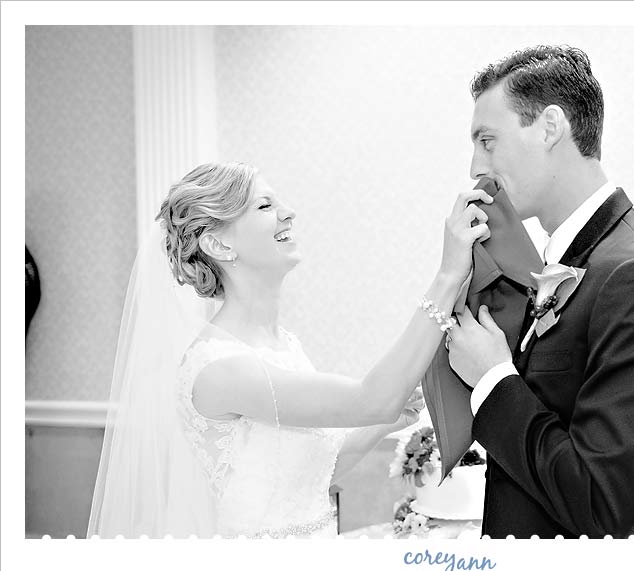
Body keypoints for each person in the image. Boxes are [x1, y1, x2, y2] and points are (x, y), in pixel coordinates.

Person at [87, 162, 493, 538]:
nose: (289, 212)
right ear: (218, 244)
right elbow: (373, 398)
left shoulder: (284, 345)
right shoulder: (219, 368)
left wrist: (390, 420)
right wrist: (447, 273)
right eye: (265, 205)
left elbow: (317, 470)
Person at [447, 45, 634, 539]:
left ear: (550, 127)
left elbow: (602, 504)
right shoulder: (562, 262)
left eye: (488, 140)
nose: (475, 167)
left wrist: (493, 380)